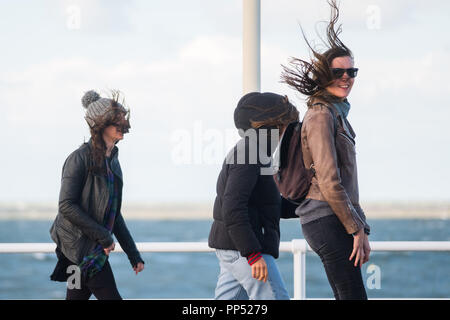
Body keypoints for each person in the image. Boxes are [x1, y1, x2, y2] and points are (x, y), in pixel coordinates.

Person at [281, 0, 371, 300]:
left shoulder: (337, 115)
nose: (346, 77)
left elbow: (347, 183)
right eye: (338, 72)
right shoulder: (321, 115)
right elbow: (330, 181)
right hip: (325, 218)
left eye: (351, 71)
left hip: (336, 219)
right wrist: (355, 228)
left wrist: (361, 227)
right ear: (324, 75)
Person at [50, 90, 145, 300]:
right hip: (78, 249)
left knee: (75, 298)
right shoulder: (78, 159)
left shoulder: (113, 162)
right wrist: (103, 236)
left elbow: (113, 213)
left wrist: (133, 254)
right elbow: (66, 205)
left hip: (88, 251)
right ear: (101, 125)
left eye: (123, 118)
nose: (122, 124)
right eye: (116, 120)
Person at [208, 92, 299, 300]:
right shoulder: (249, 152)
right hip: (244, 249)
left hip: (234, 246)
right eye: (286, 126)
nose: (288, 134)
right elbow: (232, 208)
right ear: (273, 126)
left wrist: (308, 205)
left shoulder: (255, 151)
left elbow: (269, 205)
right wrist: (253, 255)